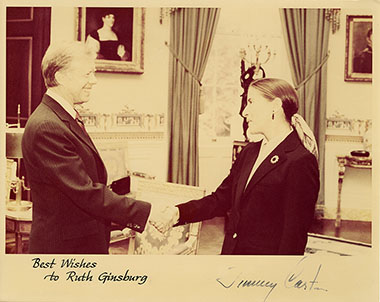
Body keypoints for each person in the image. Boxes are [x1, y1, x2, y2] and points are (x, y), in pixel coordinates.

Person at [21, 41, 169, 254]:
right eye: (87, 74)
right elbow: (86, 193)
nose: (94, 81)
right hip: (65, 249)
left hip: (80, 240)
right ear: (61, 76)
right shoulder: (47, 126)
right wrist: (147, 211)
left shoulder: (60, 117)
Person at [170, 78, 320, 255]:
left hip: (264, 272)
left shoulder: (300, 161)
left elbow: (293, 237)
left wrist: (282, 278)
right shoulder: (249, 152)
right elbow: (221, 199)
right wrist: (178, 212)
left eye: (250, 102)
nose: (244, 112)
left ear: (275, 106)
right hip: (232, 258)